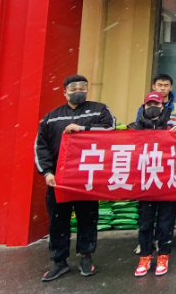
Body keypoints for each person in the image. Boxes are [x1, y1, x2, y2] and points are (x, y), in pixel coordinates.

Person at [34, 74, 115, 282]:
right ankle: (59, 260)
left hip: (86, 177)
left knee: (87, 218)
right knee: (58, 220)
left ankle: (86, 257)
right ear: (65, 92)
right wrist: (47, 172)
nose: (78, 91)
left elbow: (110, 130)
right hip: (58, 179)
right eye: (73, 88)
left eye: (82, 87)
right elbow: (41, 147)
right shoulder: (51, 117)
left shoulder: (99, 110)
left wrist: (83, 129)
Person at [130, 91, 176, 276]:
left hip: (168, 181)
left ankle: (163, 255)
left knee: (166, 222)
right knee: (145, 222)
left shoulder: (174, 124)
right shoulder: (136, 128)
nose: (153, 108)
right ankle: (145, 256)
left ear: (163, 106)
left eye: (157, 105)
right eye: (149, 105)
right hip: (145, 182)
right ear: (144, 107)